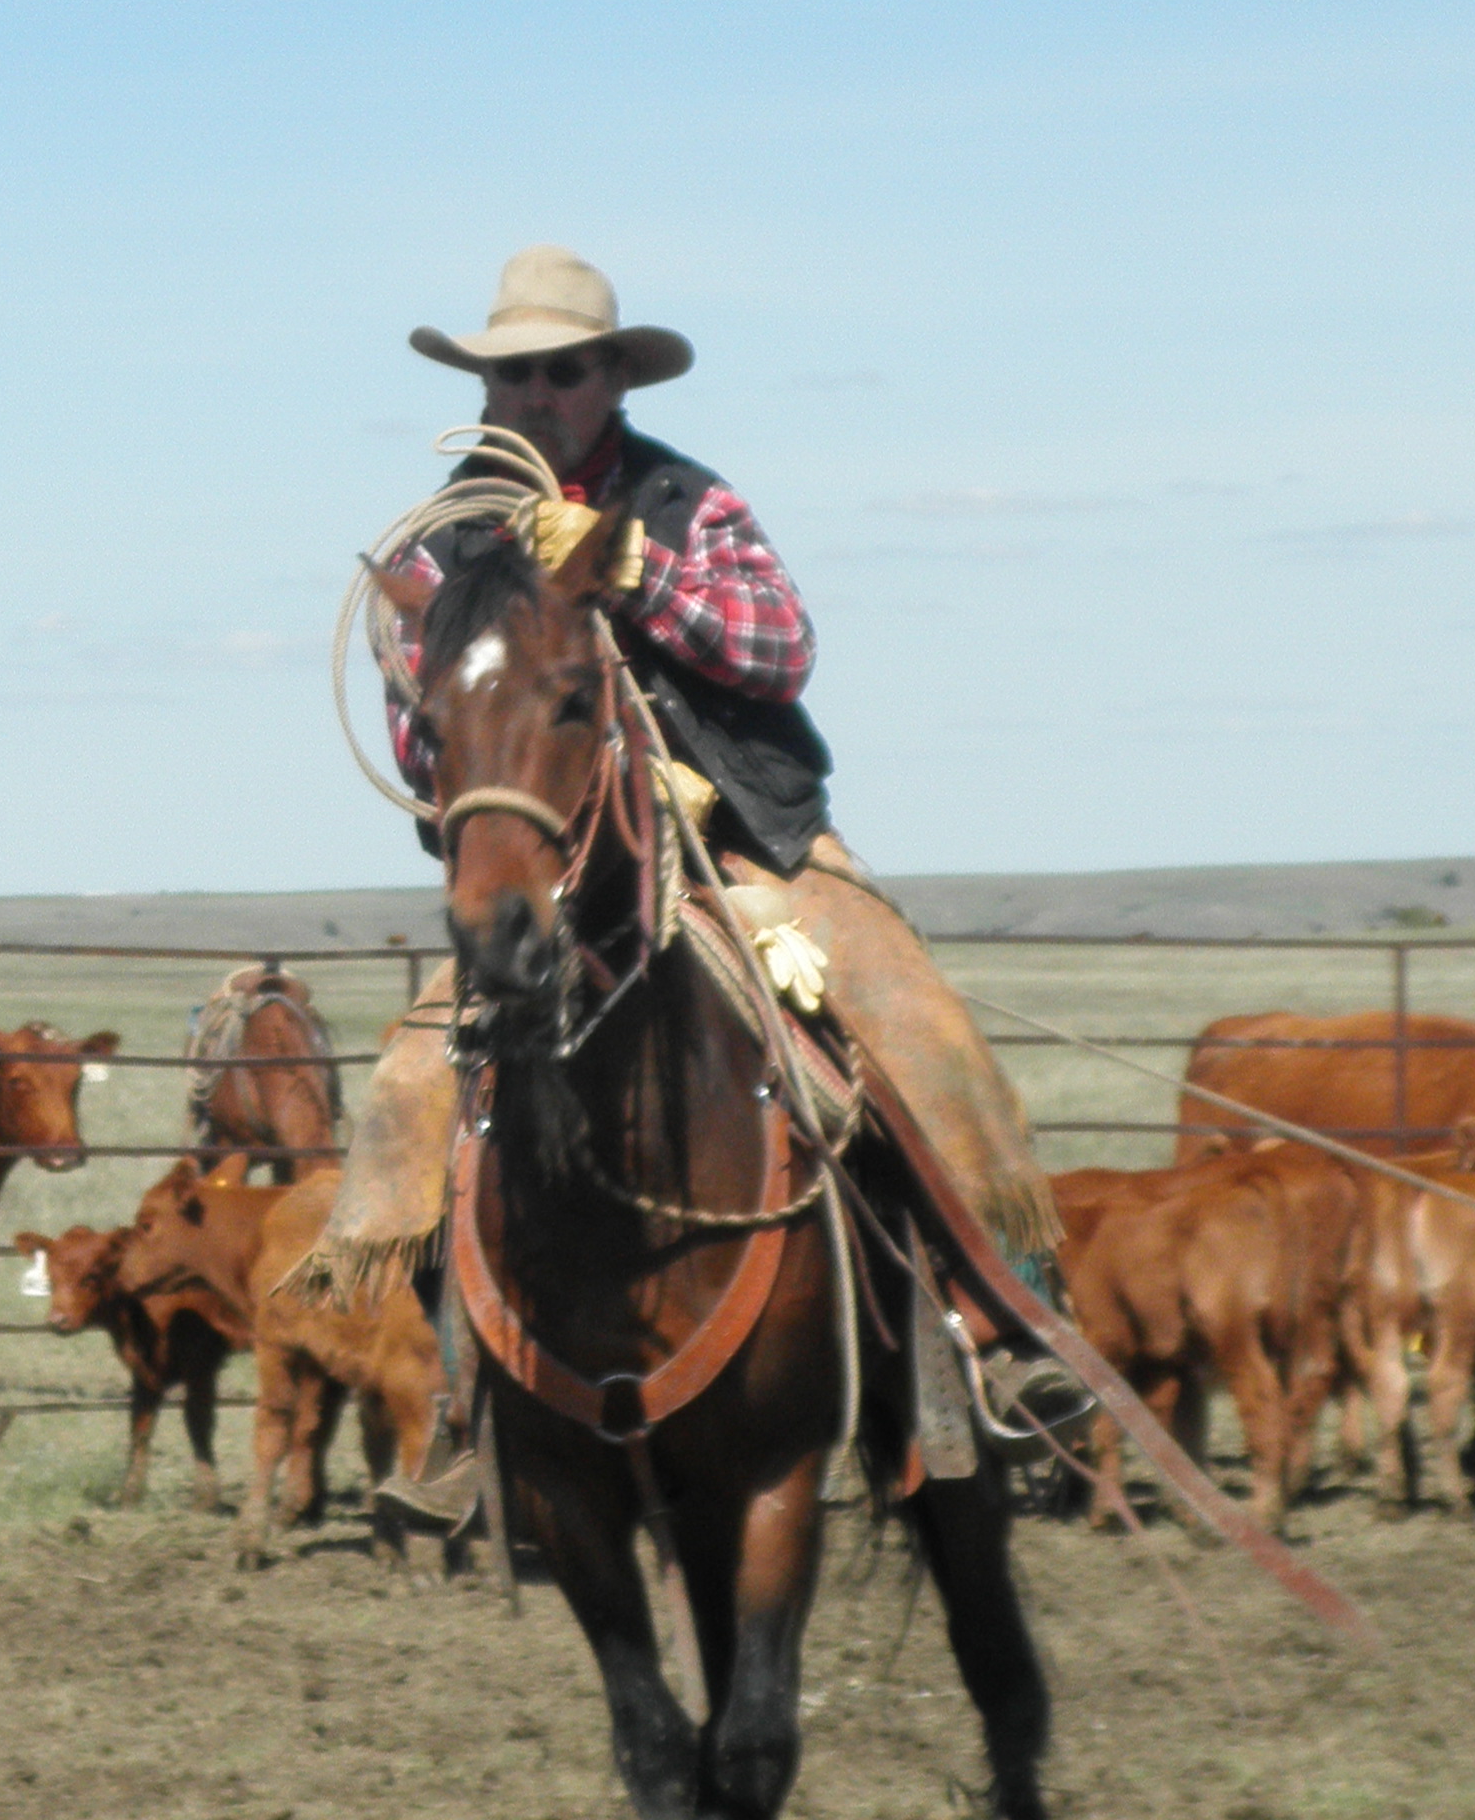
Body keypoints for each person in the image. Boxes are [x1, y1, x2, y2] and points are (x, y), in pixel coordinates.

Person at [345, 250, 1066, 1516]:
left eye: (564, 370)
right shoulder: (448, 541)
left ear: (612, 379)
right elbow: (421, 740)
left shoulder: (687, 501)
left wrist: (631, 572)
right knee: (412, 1092)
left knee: (905, 1013)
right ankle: (467, 1408)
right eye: (516, 373)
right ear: (487, 388)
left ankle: (1009, 1332)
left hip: (743, 839)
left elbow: (779, 652)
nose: (538, 393)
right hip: (556, 869)